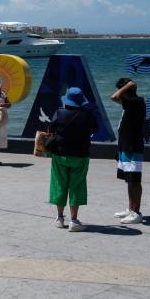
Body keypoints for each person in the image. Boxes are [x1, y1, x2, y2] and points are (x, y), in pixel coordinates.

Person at [48, 87, 98, 232]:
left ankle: (59, 218)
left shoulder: (59, 113)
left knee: (59, 184)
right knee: (77, 186)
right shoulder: (87, 115)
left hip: (59, 154)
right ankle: (74, 220)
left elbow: (51, 128)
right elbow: (95, 129)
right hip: (80, 155)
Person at [111, 78, 146, 224]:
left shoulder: (136, 102)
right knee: (129, 180)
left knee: (135, 180)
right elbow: (117, 98)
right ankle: (131, 209)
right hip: (126, 146)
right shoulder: (131, 103)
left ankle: (136, 212)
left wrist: (128, 86)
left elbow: (114, 97)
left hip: (133, 147)